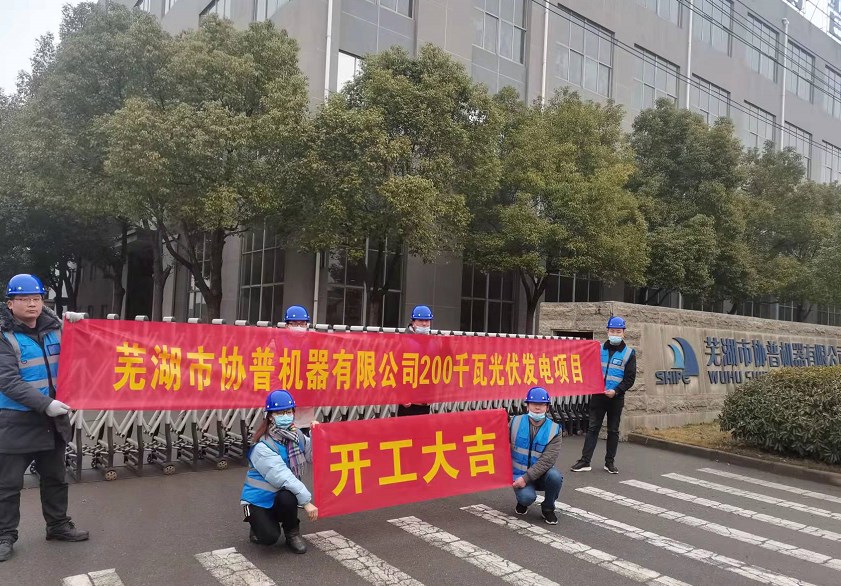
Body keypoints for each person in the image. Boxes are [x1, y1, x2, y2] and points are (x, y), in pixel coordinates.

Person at [0, 274, 89, 563]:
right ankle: (4, 536)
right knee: (7, 485)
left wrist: (79, 329)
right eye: (24, 299)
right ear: (10, 304)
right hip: (16, 422)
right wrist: (46, 404)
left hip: (53, 420)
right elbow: (8, 381)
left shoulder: (56, 330)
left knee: (55, 478)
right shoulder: (4, 336)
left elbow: (85, 355)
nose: (32, 304)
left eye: (37, 298)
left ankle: (58, 525)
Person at [241, 389, 318, 553]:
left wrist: (316, 435)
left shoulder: (296, 435)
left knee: (288, 497)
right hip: (258, 500)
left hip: (280, 495)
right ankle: (255, 523)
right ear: (270, 416)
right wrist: (306, 502)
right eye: (280, 413)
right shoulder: (263, 446)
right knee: (268, 538)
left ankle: (292, 533)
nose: (286, 416)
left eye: (288, 411)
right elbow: (282, 476)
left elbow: (312, 457)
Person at [571, 316, 636, 475]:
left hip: (616, 397)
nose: (615, 334)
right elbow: (588, 368)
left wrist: (616, 391)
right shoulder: (598, 349)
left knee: (613, 430)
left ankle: (609, 463)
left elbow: (630, 378)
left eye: (618, 331)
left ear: (623, 333)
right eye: (612, 331)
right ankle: (585, 461)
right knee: (593, 428)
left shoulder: (629, 353)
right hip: (598, 396)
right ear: (607, 331)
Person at [510, 386, 563, 525]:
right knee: (526, 498)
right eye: (534, 404)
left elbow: (547, 461)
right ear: (527, 406)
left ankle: (548, 508)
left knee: (555, 477)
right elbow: (500, 445)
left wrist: (526, 478)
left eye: (542, 404)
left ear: (547, 407)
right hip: (518, 474)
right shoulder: (515, 422)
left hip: (540, 475)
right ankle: (522, 501)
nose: (537, 408)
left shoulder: (554, 430)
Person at [283, 306, 317, 434]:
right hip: (284, 400)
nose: (299, 327)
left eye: (302, 324)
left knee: (305, 434)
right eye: (294, 324)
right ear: (287, 325)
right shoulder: (278, 342)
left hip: (306, 400)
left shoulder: (314, 343)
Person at [396, 305, 434, 417]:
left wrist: (447, 346)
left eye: (427, 321)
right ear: (413, 322)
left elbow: (445, 366)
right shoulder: (404, 341)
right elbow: (396, 370)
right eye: (420, 320)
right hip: (408, 402)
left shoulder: (433, 342)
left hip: (425, 400)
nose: (424, 324)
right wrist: (401, 395)